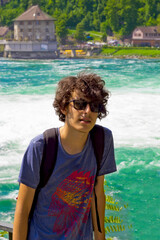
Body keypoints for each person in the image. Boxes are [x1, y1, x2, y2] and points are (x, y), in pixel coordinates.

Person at [13, 72, 117, 240]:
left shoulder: (102, 140)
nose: (87, 111)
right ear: (63, 107)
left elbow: (98, 194)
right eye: (80, 104)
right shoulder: (41, 147)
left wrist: (100, 237)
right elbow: (23, 209)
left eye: (95, 106)